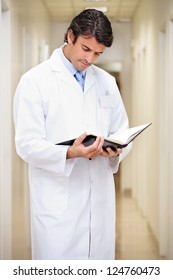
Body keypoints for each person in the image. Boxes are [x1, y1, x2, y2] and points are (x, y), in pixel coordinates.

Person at [13, 9, 131, 260]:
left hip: (99, 201)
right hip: (58, 206)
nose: (90, 59)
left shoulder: (106, 82)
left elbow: (121, 128)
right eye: (85, 49)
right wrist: (70, 152)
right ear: (70, 36)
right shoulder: (35, 81)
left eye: (98, 53)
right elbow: (26, 144)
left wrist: (117, 147)